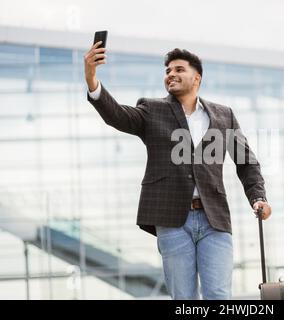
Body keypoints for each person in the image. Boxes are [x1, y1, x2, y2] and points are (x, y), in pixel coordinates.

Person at [83, 41, 272, 300]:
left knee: (218, 294)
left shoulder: (223, 115)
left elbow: (246, 162)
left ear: (197, 78)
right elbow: (117, 115)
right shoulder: (152, 110)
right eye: (168, 71)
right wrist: (92, 80)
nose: (171, 74)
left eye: (179, 69)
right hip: (172, 221)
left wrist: (258, 197)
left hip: (213, 219)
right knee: (184, 298)